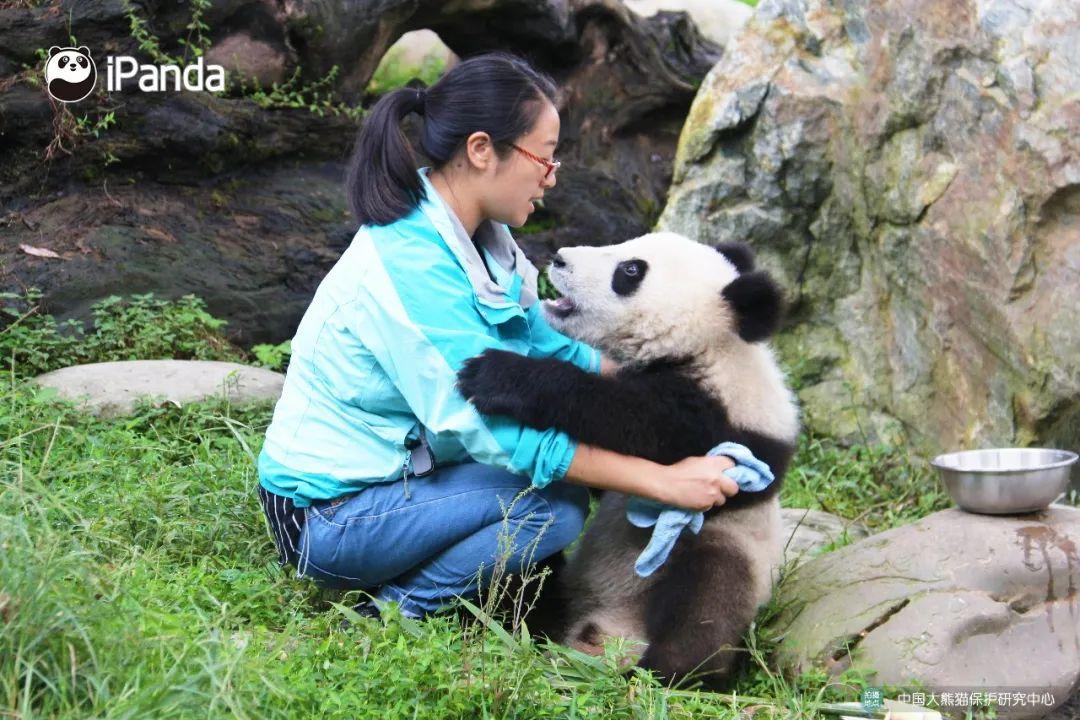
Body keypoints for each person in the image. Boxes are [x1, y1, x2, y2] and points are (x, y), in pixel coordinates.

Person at [256, 51, 739, 620]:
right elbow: (497, 432)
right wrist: (661, 481)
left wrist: (658, 382)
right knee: (553, 509)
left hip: (395, 480)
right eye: (546, 156)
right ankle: (395, 613)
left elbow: (539, 340)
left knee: (556, 490)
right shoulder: (411, 265)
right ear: (482, 150)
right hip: (326, 518)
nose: (553, 175)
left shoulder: (477, 235)